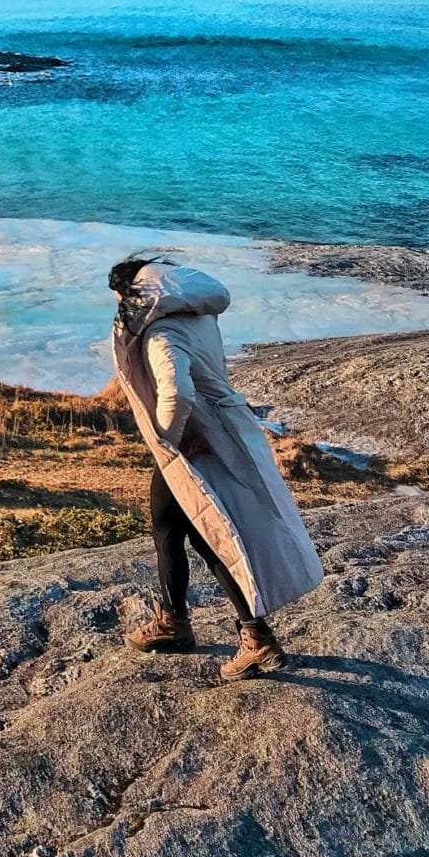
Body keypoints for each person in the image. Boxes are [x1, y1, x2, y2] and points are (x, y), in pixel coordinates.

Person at [109, 254, 324, 681]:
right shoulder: (196, 313)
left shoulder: (162, 332)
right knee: (182, 526)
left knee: (202, 533)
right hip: (221, 430)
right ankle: (187, 622)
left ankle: (237, 635)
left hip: (197, 441)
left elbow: (178, 394)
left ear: (135, 291)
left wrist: (168, 442)